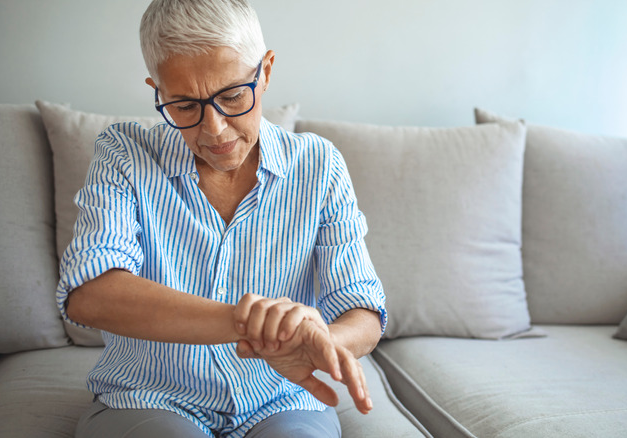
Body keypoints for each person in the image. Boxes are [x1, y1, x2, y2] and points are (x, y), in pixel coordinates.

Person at [55, 0, 387, 436]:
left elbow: (361, 307)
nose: (213, 129)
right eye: (185, 106)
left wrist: (319, 343)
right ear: (158, 91)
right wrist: (244, 321)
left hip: (281, 399)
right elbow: (90, 292)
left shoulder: (319, 164)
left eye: (232, 96)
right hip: (148, 395)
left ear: (265, 72)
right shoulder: (124, 153)